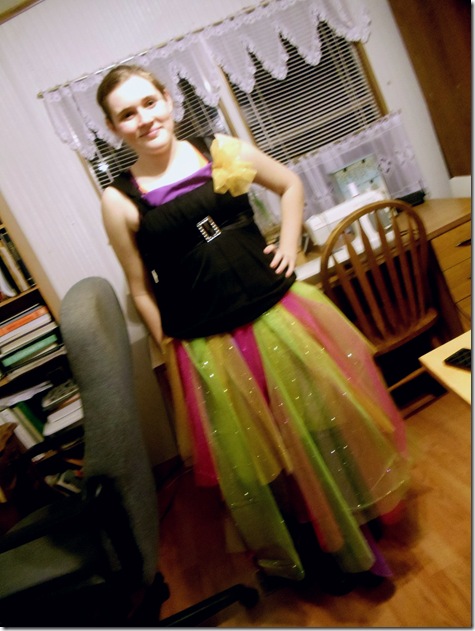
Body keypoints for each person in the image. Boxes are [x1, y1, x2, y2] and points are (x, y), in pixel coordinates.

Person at [97, 64, 410, 593]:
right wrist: (170, 343)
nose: (144, 119)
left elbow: (289, 185)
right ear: (113, 129)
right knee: (264, 464)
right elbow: (140, 287)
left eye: (149, 103)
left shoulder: (218, 150)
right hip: (208, 342)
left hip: (275, 316)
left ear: (168, 100)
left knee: (320, 429)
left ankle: (355, 530)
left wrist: (287, 244)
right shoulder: (118, 199)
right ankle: (313, 557)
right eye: (127, 114)